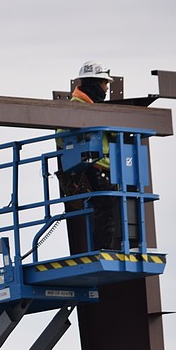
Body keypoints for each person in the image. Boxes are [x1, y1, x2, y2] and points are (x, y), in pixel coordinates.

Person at [57, 60, 121, 250]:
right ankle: (103, 250)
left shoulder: (97, 108)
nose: (107, 88)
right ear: (93, 83)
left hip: (104, 167)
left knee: (107, 209)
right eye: (104, 83)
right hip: (92, 167)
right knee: (105, 209)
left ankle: (104, 249)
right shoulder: (75, 107)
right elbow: (62, 138)